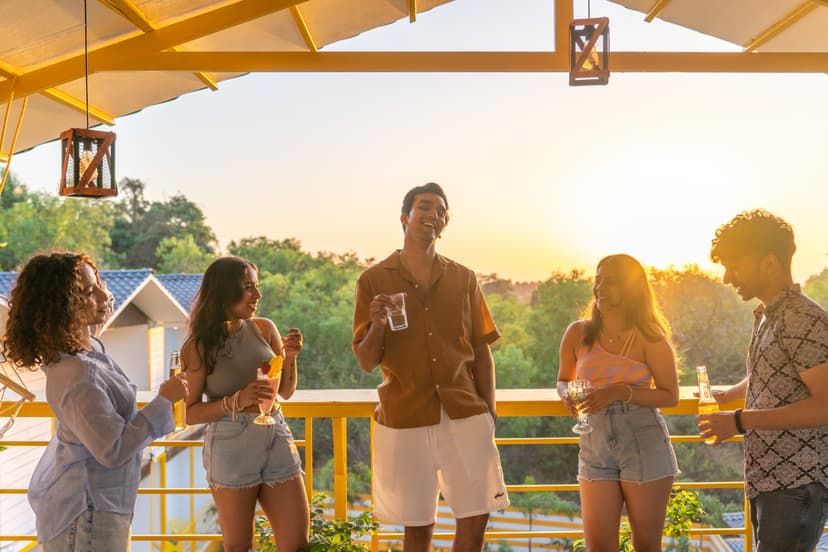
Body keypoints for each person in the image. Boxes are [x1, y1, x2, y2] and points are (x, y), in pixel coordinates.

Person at [352, 182, 509, 551]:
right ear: (404, 217)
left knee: (476, 518)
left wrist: (490, 413)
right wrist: (376, 323)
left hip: (465, 413)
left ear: (444, 224)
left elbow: (482, 351)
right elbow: (366, 361)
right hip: (404, 416)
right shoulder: (373, 280)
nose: (433, 215)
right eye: (425, 207)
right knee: (417, 526)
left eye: (440, 211)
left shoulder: (464, 279)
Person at [3, 251, 188, 551]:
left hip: (98, 503)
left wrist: (100, 300)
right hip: (86, 512)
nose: (104, 294)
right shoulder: (77, 374)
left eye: (100, 281)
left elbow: (97, 317)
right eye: (89, 292)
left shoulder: (85, 349)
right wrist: (164, 400)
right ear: (65, 308)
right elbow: (112, 450)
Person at [698, 209, 828, 551]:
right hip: (772, 481)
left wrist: (739, 421)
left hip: (797, 485)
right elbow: (772, 373)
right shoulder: (769, 315)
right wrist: (730, 396)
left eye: (734, 265)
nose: (727, 277)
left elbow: (826, 404)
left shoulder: (802, 318)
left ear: (769, 263)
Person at [181, 256, 308, 552]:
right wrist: (236, 401)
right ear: (224, 291)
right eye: (248, 287)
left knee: (297, 545)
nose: (258, 296)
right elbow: (189, 414)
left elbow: (285, 391)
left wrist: (290, 357)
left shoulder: (264, 329)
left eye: (257, 286)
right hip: (230, 443)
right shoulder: (198, 346)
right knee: (239, 547)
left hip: (275, 435)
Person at [557, 253, 679, 552]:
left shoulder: (650, 338)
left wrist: (619, 391)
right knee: (597, 547)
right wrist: (566, 395)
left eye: (610, 282)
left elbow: (670, 395)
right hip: (594, 445)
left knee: (646, 546)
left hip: (643, 442)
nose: (600, 287)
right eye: (597, 280)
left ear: (631, 289)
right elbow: (562, 379)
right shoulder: (578, 333)